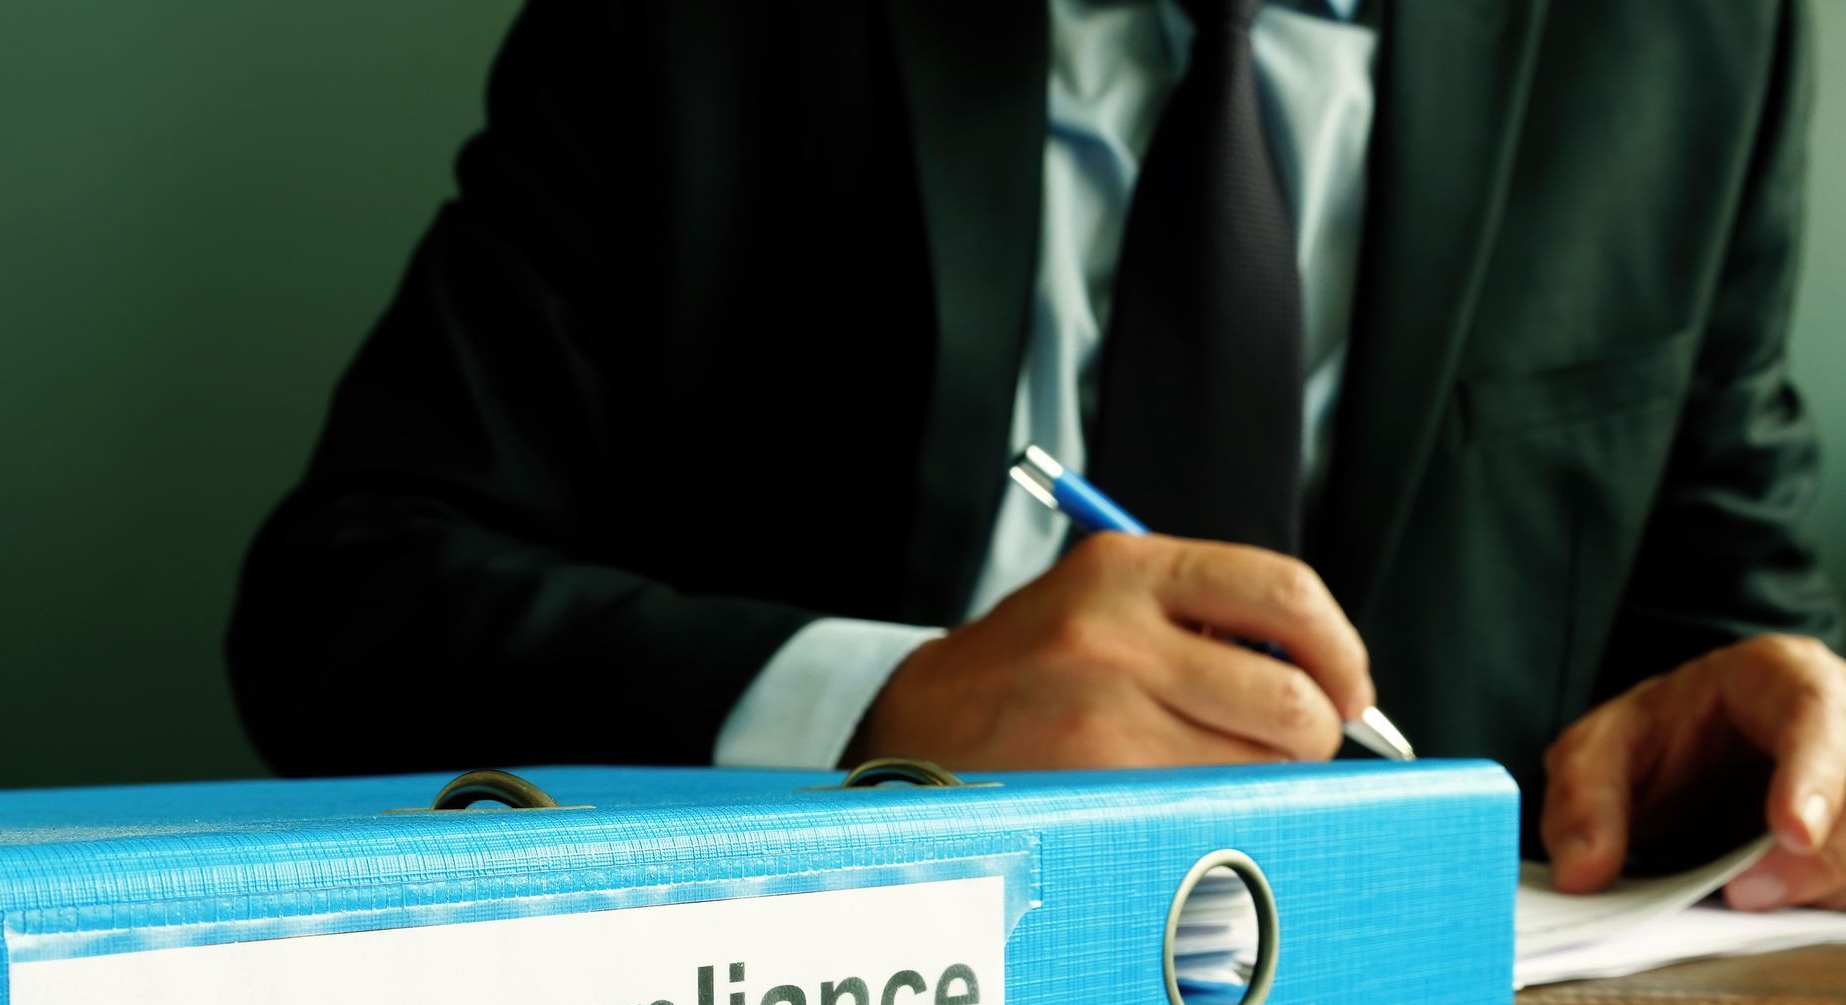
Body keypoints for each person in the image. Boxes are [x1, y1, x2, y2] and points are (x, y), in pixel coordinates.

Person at [228, 0, 1846, 913]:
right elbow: (344, 609)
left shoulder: (1702, 39)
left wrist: (1749, 725)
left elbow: (1729, 638)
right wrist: (887, 705)